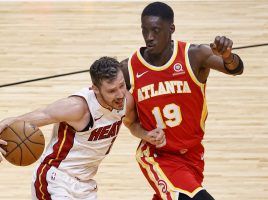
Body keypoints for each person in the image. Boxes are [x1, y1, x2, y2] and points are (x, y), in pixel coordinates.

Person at [120, 2, 244, 200]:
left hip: (193, 154)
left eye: (155, 31)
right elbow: (130, 123)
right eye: (145, 30)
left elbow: (236, 69)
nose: (149, 37)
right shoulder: (129, 69)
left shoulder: (194, 55)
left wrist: (228, 56)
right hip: (158, 156)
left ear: (171, 29)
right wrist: (145, 134)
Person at [0, 56, 166, 200]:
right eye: (112, 90)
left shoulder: (125, 102)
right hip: (56, 179)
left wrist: (145, 134)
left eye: (122, 85)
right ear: (96, 89)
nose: (120, 94)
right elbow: (19, 121)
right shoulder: (78, 107)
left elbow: (131, 124)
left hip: (86, 185)